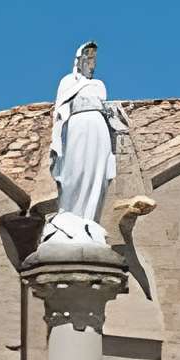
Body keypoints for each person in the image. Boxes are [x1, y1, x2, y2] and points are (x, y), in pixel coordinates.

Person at [44, 39, 128, 246]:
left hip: (98, 129)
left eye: (94, 59)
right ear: (79, 60)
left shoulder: (99, 85)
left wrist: (111, 111)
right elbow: (61, 108)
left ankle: (89, 219)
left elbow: (105, 107)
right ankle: (69, 214)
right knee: (76, 170)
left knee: (95, 171)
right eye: (88, 57)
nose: (91, 62)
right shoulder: (67, 81)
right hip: (77, 127)